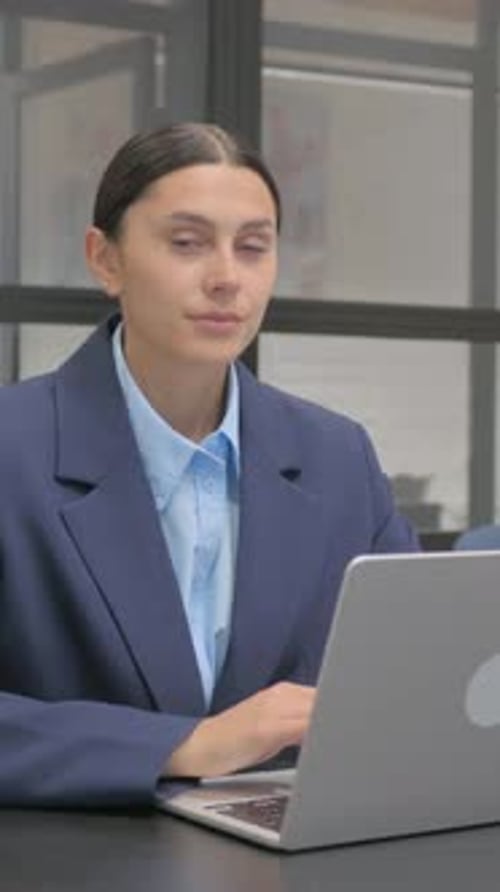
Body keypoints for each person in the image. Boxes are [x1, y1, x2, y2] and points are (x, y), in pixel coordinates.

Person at [0, 122, 418, 808]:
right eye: (187, 243)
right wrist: (182, 746)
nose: (227, 278)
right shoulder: (12, 447)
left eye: (253, 247)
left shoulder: (337, 455)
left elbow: (414, 670)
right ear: (105, 260)